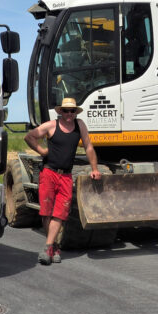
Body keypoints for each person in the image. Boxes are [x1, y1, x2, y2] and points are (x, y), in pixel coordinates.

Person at [23, 97, 101, 265]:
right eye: (66, 111)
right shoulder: (51, 125)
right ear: (61, 112)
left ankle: (48, 248)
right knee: (46, 213)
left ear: (76, 112)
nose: (69, 114)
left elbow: (88, 146)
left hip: (66, 176)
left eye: (72, 111)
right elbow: (29, 137)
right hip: (48, 173)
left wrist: (94, 169)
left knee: (60, 213)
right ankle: (54, 247)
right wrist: (41, 151)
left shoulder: (80, 125)